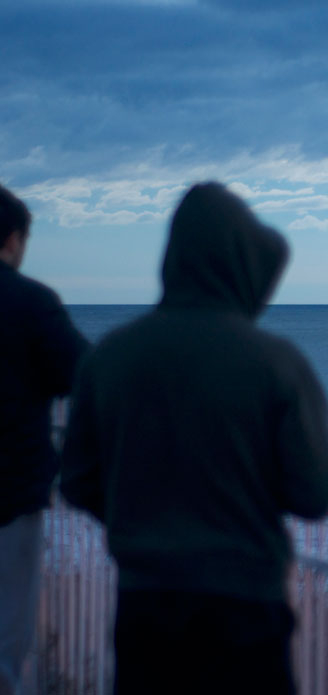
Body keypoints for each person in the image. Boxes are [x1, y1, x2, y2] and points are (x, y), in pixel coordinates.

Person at [60, 182, 328, 694]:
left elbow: (78, 482)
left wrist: (141, 511)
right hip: (247, 607)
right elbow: (315, 493)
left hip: (145, 605)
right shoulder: (275, 363)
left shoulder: (111, 357)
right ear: (241, 268)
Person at [0, 183, 89, 695]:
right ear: (11, 239)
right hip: (9, 500)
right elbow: (82, 371)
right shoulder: (29, 302)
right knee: (5, 644)